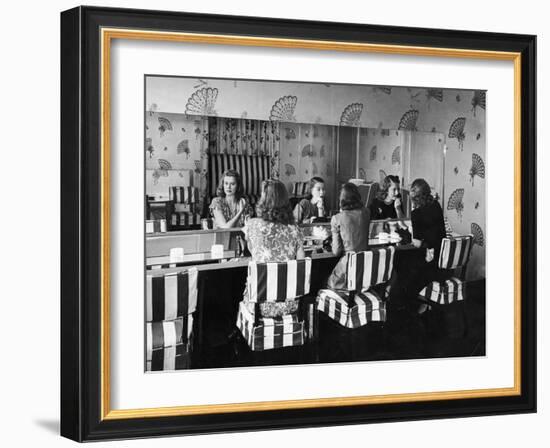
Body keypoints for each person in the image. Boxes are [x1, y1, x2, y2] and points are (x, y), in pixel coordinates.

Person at [243, 179, 305, 318]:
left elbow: (253, 252)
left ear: (264, 199)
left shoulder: (252, 225)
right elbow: (301, 264)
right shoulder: (295, 229)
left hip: (259, 305)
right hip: (290, 304)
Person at [388, 178, 447, 312]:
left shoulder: (416, 213)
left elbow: (417, 243)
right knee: (404, 262)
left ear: (414, 197)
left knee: (399, 260)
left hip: (429, 263)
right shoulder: (436, 205)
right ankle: (409, 298)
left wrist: (410, 231)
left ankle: (402, 300)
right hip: (441, 259)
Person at [326, 183, 371, 290]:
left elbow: (336, 251)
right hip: (365, 269)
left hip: (347, 270)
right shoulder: (366, 212)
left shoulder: (337, 218)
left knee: (326, 281)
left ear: (341, 199)